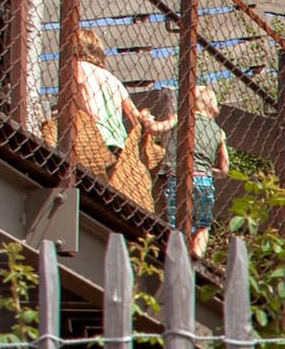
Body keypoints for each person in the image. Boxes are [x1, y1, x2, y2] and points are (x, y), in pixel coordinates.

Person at [66, 28, 170, 157]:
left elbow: (85, 92)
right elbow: (135, 118)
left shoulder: (79, 66)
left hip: (95, 137)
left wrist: (90, 117)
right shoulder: (113, 79)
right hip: (118, 143)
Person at [161, 84, 228, 260]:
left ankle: (176, 255)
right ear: (213, 107)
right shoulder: (218, 132)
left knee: (175, 223)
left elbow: (159, 129)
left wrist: (147, 123)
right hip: (204, 180)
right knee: (203, 224)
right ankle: (196, 256)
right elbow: (224, 168)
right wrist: (208, 169)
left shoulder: (183, 117)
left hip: (178, 177)